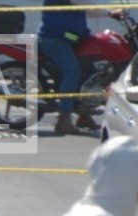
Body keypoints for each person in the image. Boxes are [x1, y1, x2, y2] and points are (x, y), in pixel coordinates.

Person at [38, 0, 95, 134]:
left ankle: (84, 115)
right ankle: (63, 119)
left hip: (70, 38)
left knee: (89, 70)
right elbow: (87, 7)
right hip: (54, 39)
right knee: (72, 72)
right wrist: (110, 12)